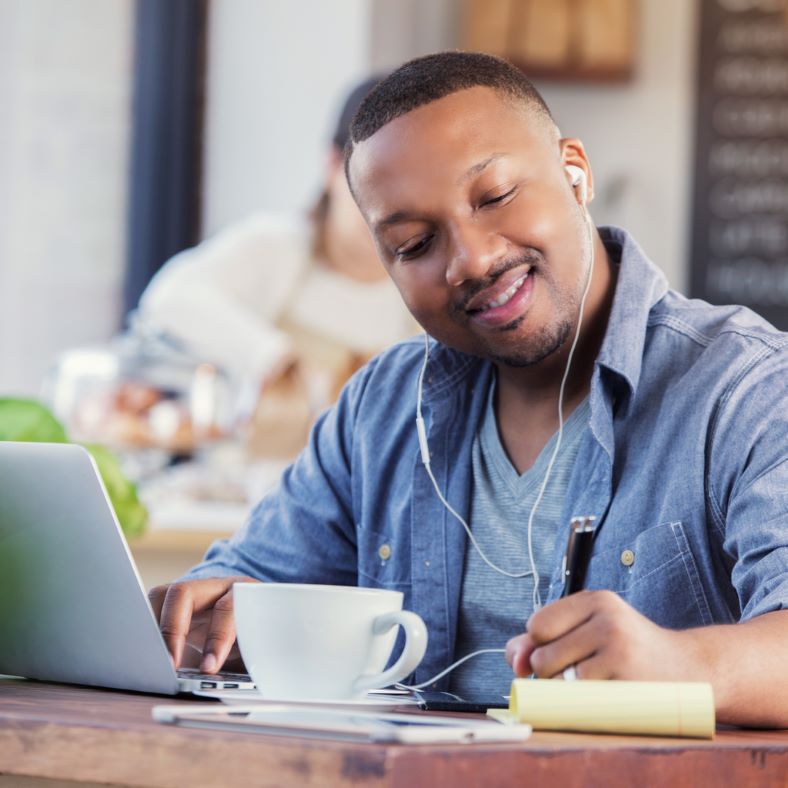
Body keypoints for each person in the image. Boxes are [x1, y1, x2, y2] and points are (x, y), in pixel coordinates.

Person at [149, 52, 788, 727]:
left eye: (495, 197)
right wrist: (217, 625)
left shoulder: (746, 390)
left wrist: (680, 666)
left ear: (576, 172)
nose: (472, 260)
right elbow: (240, 596)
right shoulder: (381, 410)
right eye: (416, 242)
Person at [134, 76, 417, 458]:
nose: (392, 212)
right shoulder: (278, 247)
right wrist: (275, 357)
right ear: (332, 164)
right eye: (377, 182)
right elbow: (170, 298)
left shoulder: (424, 288)